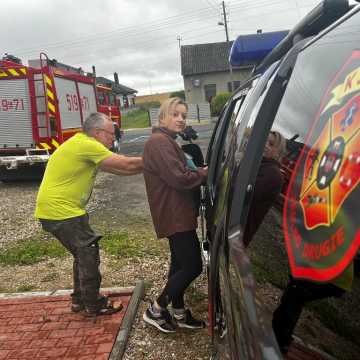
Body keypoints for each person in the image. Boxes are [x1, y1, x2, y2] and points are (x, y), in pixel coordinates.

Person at [34, 112, 143, 317]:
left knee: (81, 253)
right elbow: (126, 164)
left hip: (57, 210)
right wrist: (158, 159)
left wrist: (148, 168)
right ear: (98, 132)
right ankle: (94, 304)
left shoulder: (82, 144)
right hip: (62, 211)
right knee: (88, 251)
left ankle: (79, 300)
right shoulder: (87, 145)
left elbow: (120, 170)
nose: (114, 138)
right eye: (112, 133)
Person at [142, 97, 208, 333]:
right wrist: (205, 174)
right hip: (174, 215)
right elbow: (179, 178)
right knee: (193, 267)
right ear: (162, 117)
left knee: (179, 265)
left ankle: (179, 312)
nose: (181, 119)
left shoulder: (166, 141)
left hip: (178, 214)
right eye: (175, 114)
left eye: (183, 115)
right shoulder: (159, 142)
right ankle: (156, 309)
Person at [272, 264, 353, 354]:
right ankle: (280, 338)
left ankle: (280, 340)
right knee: (296, 294)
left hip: (332, 274)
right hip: (333, 275)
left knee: (296, 292)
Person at [243, 130, 286, 247]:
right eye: (265, 141)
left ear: (279, 152)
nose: (265, 145)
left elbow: (243, 195)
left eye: (271, 144)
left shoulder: (273, 174)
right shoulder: (260, 164)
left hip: (240, 232)